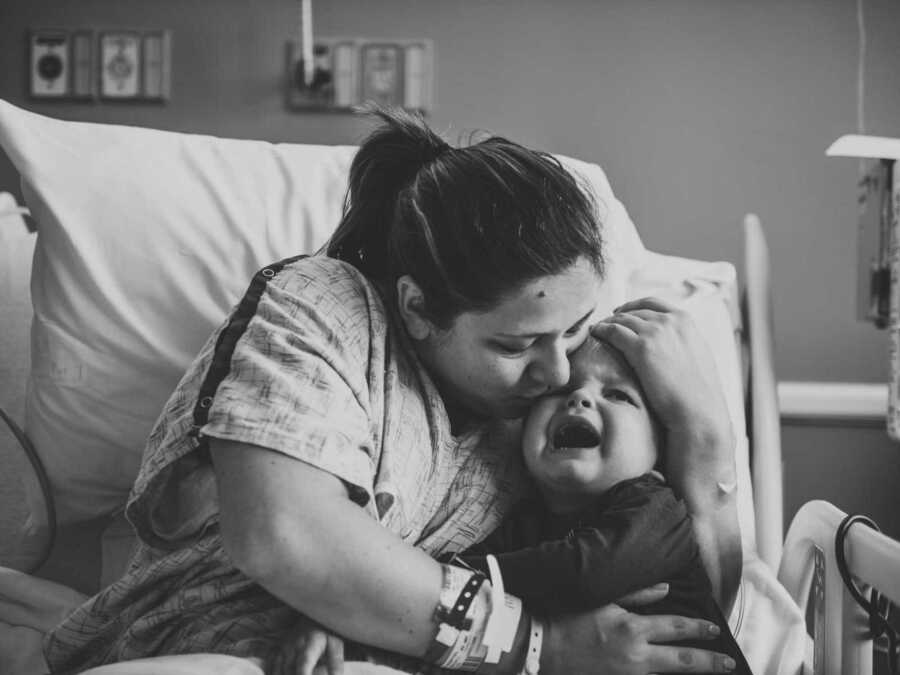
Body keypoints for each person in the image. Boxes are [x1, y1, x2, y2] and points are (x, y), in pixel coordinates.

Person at [43, 106, 742, 675]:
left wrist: (706, 436)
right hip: (211, 652)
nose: (558, 371)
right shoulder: (323, 308)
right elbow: (283, 536)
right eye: (514, 343)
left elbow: (688, 606)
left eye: (574, 329)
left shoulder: (545, 415)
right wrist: (540, 646)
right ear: (416, 308)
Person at [275, 337, 752, 675]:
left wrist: (443, 580)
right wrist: (343, 620)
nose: (581, 399)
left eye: (618, 395)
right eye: (562, 392)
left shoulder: (655, 508)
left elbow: (585, 573)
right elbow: (437, 588)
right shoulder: (525, 523)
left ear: (657, 454)